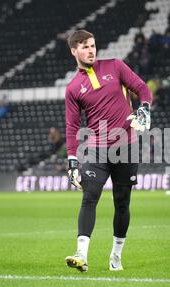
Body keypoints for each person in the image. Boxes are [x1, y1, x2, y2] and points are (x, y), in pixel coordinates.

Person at [64, 30, 152, 272]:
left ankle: (116, 255)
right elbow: (72, 126)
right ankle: (81, 254)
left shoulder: (115, 66)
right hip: (96, 149)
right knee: (89, 196)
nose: (91, 50)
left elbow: (143, 88)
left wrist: (144, 108)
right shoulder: (72, 88)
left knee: (122, 203)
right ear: (74, 51)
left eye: (93, 45)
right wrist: (72, 159)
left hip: (126, 145)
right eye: (85, 47)